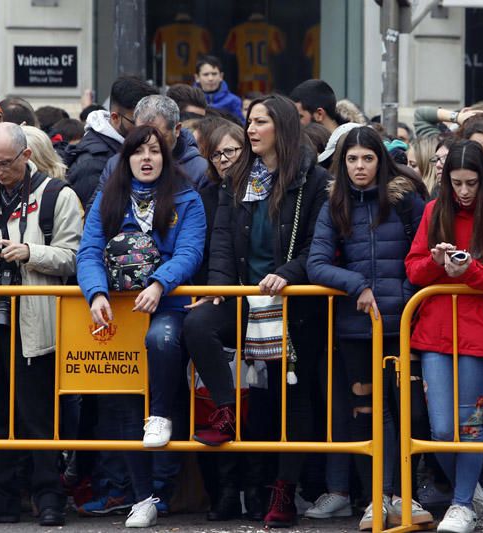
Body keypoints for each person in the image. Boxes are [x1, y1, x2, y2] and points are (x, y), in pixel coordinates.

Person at [183, 94, 329, 528]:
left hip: (294, 302)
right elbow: (224, 239)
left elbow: (316, 246)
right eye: (249, 121)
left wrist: (289, 273)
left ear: (281, 127)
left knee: (290, 397)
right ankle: (226, 411)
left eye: (260, 121)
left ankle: (283, 491)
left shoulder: (314, 179)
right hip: (245, 297)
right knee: (198, 324)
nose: (250, 129)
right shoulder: (239, 176)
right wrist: (217, 289)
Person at [0, 122, 83, 526]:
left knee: (37, 413)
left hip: (35, 315)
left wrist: (29, 252)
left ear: (26, 156)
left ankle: (48, 497)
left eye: (5, 163)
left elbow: (72, 256)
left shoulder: (59, 195)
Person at [76, 125, 205, 528]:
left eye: (154, 151)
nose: (146, 158)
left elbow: (190, 251)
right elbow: (89, 250)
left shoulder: (187, 198)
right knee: (125, 401)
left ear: (166, 158)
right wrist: (96, 293)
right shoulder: (107, 197)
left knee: (161, 341)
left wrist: (159, 282)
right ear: (126, 157)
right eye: (138, 151)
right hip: (118, 308)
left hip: (169, 306)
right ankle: (142, 497)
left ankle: (163, 429)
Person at [307, 126, 431, 530]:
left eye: (367, 158)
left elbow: (422, 257)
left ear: (381, 160)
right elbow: (316, 264)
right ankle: (375, 499)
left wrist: (408, 296)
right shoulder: (333, 205)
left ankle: (404, 497)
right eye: (352, 159)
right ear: (342, 164)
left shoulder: (406, 201)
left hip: (406, 324)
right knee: (368, 414)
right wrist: (355, 284)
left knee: (408, 412)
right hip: (358, 328)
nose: (360, 167)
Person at [405, 140, 483, 533]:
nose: (463, 191)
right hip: (435, 330)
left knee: (468, 425)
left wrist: (470, 271)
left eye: (471, 182)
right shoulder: (432, 211)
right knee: (441, 429)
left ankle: (461, 503)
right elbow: (413, 269)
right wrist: (438, 263)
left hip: (481, 331)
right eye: (455, 182)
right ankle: (470, 498)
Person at [88, 95, 210, 213]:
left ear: (176, 130)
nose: (150, 140)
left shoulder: (200, 170)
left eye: (158, 135)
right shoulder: (116, 164)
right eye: (141, 134)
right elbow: (94, 217)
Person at [64, 76, 158, 207]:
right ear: (115, 118)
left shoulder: (135, 148)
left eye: (152, 122)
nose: (149, 130)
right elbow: (89, 221)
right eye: (138, 122)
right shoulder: (92, 165)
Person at [193, 55, 244, 123]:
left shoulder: (234, 101)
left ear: (221, 76)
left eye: (214, 74)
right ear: (197, 78)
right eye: (206, 74)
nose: (210, 78)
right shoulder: (190, 101)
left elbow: (240, 127)